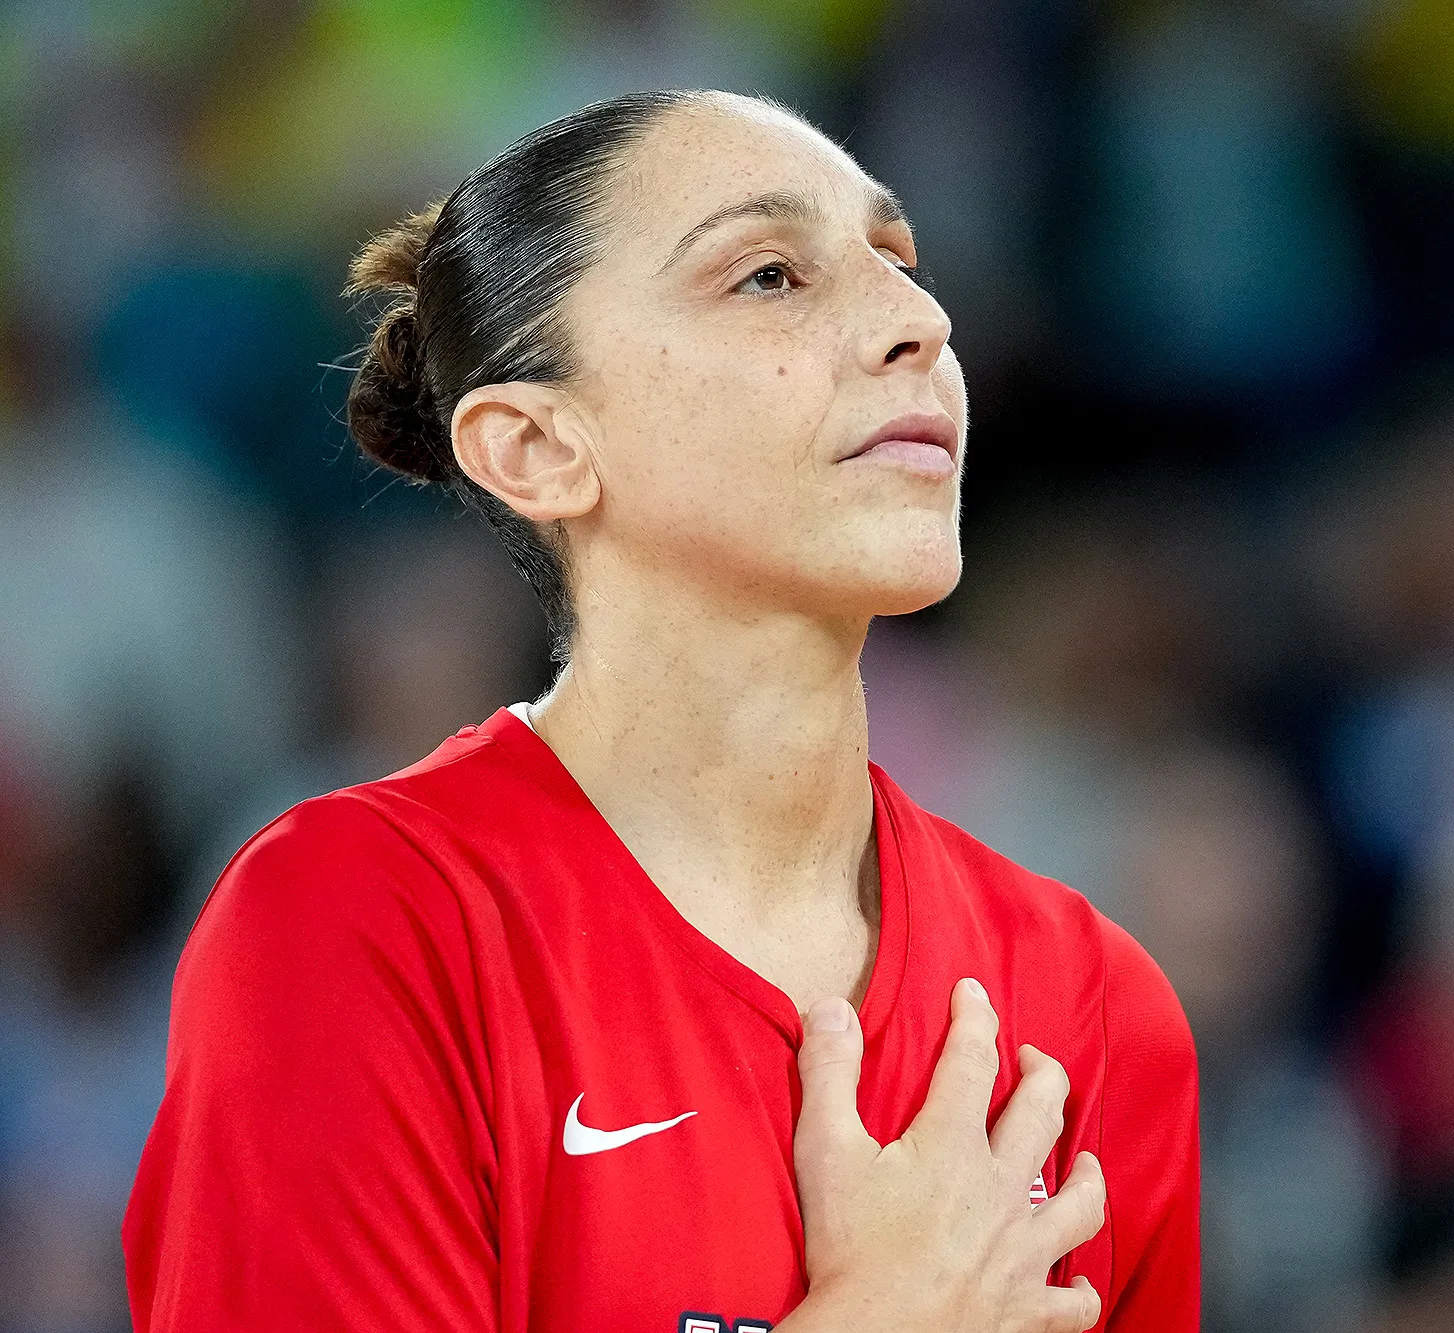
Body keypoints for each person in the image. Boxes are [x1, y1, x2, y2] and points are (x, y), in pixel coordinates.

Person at [120, 90, 1200, 1332]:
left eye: (899, 263)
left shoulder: (1096, 1006)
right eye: (768, 275)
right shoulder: (359, 918)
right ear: (533, 447)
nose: (920, 320)